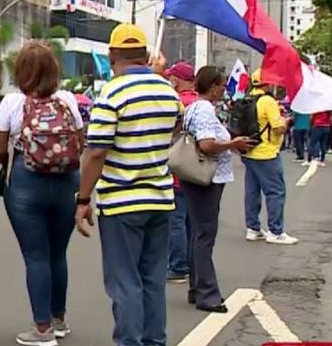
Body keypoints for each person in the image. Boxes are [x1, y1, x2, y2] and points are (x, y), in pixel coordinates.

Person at [75, 23, 178, 346]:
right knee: (153, 281)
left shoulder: (112, 93)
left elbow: (96, 152)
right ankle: (154, 341)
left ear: (111, 55)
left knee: (125, 283)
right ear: (145, 55)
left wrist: (83, 199)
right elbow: (175, 131)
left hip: (121, 203)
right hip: (160, 199)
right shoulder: (168, 91)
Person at [0, 41, 83, 346]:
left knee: (36, 255)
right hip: (67, 182)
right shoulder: (67, 100)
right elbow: (80, 142)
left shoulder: (12, 103)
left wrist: (15, 161)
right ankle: (58, 320)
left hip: (26, 183)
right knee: (58, 253)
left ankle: (41, 330)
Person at [181, 67, 254, 313]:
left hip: (198, 176)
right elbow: (207, 144)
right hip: (207, 177)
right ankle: (207, 293)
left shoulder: (193, 107)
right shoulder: (204, 109)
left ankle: (197, 287)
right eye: (222, 85)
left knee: (198, 233)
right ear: (213, 87)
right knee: (205, 235)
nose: (224, 90)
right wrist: (232, 143)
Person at [242, 69, 298, 245]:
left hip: (249, 150)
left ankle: (253, 228)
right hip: (266, 152)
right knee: (275, 192)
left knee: (252, 192)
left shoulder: (248, 98)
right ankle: (275, 231)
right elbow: (278, 128)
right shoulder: (268, 101)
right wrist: (286, 121)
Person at [163, 61, 198, 284]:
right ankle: (192, 264)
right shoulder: (201, 103)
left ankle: (178, 266)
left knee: (176, 221)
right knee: (191, 223)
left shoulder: (176, 103)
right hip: (196, 171)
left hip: (176, 170)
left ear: (176, 80)